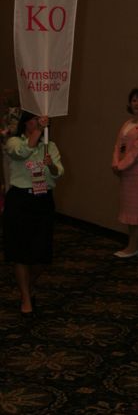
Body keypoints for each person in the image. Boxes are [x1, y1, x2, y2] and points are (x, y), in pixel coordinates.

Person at [2, 112, 64, 317]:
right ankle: (26, 297)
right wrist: (39, 130)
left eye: (39, 120)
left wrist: (51, 165)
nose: (36, 122)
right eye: (33, 119)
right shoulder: (13, 142)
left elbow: (58, 173)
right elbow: (21, 152)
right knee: (20, 251)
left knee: (40, 255)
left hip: (42, 200)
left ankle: (27, 285)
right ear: (25, 122)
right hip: (20, 200)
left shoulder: (50, 146)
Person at [112, 88, 138, 258]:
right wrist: (115, 163)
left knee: (137, 212)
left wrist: (121, 166)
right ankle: (131, 245)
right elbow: (118, 145)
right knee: (129, 210)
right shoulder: (127, 123)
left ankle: (134, 246)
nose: (136, 104)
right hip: (124, 172)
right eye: (134, 100)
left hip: (137, 173)